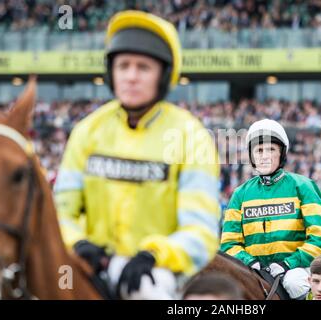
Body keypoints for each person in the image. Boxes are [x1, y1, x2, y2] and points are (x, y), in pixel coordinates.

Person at [54, 10, 220, 299]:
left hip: (156, 272)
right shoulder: (86, 131)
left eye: (143, 67)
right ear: (111, 72)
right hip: (86, 262)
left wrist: (154, 255)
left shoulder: (191, 135)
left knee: (148, 291)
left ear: (163, 75)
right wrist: (77, 243)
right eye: (123, 66)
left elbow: (201, 230)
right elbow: (60, 211)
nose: (131, 77)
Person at [220, 119, 321, 300]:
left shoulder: (304, 186)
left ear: (282, 154)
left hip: (296, 269)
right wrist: (250, 262)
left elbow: (319, 240)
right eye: (259, 150)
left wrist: (288, 263)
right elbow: (229, 244)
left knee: (294, 283)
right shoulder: (240, 194)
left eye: (271, 149)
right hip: (252, 270)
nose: (264, 156)